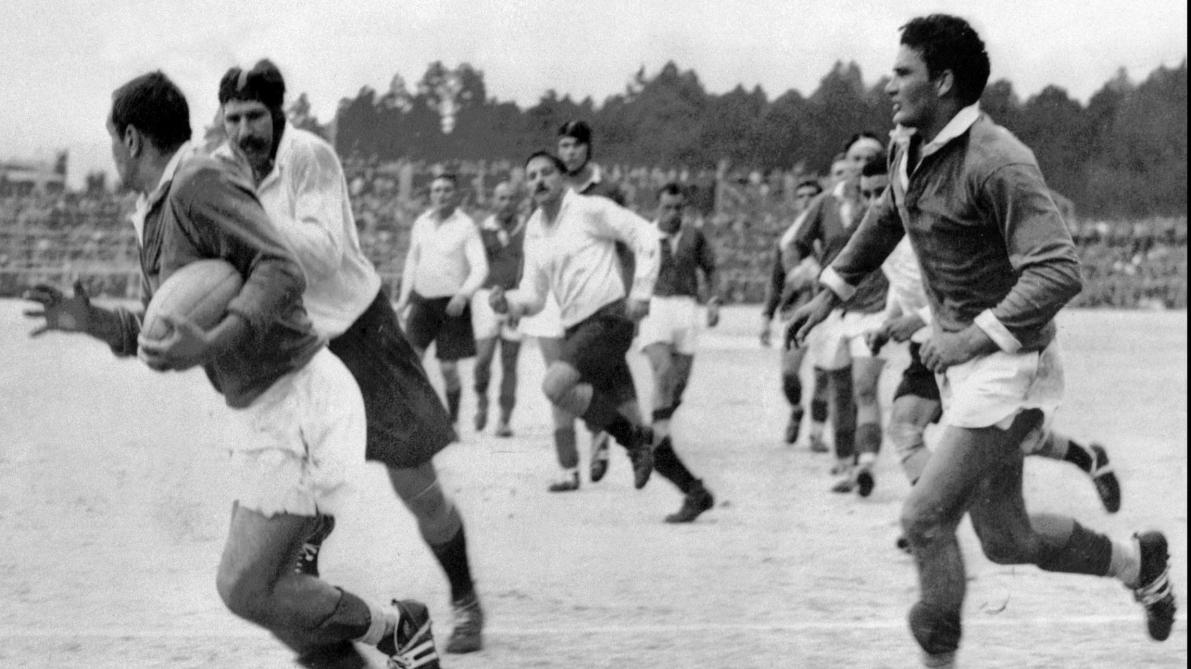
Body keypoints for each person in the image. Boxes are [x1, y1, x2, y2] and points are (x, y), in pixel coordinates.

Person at [787, 15, 1175, 666]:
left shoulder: (999, 160)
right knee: (1005, 538)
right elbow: (889, 215)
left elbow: (1058, 270)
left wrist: (970, 338)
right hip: (965, 361)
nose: (888, 85)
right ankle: (1140, 563)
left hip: (1011, 363)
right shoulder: (907, 143)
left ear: (940, 82)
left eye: (901, 72)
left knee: (922, 518)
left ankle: (938, 658)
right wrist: (831, 288)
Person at [23, 71, 439, 669]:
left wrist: (214, 340)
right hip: (265, 406)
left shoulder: (199, 180)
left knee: (247, 586)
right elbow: (163, 326)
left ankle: (398, 630)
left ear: (133, 138)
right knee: (258, 592)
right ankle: (370, 648)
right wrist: (89, 321)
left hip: (299, 398)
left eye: (112, 138)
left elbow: (281, 268)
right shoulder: (159, 207)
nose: (112, 151)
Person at [215, 60, 484, 655]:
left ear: (278, 112)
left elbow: (325, 252)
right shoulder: (223, 174)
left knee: (418, 487)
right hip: (298, 350)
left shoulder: (309, 156)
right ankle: (330, 637)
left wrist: (247, 222)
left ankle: (464, 599)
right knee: (298, 503)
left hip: (361, 332)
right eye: (231, 118)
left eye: (254, 116)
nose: (242, 132)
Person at [490, 150, 660, 493]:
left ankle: (633, 443)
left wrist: (641, 291)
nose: (539, 180)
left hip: (609, 317)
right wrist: (507, 302)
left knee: (555, 387)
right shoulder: (535, 228)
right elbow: (534, 295)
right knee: (631, 413)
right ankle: (682, 479)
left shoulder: (589, 209)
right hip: (577, 326)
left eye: (546, 173)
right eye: (532, 176)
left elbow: (645, 234)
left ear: (563, 177)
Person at [787, 133, 890, 495]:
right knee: (840, 391)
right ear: (844, 162)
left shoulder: (887, 201)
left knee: (865, 386)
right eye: (856, 157)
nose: (862, 164)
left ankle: (867, 464)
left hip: (874, 307)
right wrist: (805, 270)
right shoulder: (824, 203)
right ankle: (847, 463)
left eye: (870, 157)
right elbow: (794, 244)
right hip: (832, 310)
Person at [528, 120, 621, 490]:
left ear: (588, 149)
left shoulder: (607, 191)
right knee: (556, 383)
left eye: (576, 146)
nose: (569, 153)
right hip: (552, 298)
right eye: (563, 146)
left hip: (591, 298)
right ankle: (568, 468)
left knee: (587, 376)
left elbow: (624, 242)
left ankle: (602, 431)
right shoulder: (547, 184)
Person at [635, 182, 717, 522]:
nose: (673, 213)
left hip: (686, 310)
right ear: (657, 207)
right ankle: (655, 447)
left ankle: (657, 443)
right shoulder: (642, 236)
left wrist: (711, 300)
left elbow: (710, 267)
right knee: (663, 372)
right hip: (655, 307)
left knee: (677, 386)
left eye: (679, 207)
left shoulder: (695, 236)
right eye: (667, 207)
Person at [395, 172, 489, 425]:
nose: (441, 195)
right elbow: (412, 261)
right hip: (423, 302)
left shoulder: (466, 226)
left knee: (448, 370)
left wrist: (463, 295)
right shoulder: (421, 222)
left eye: (447, 190)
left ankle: (453, 422)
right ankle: (418, 420)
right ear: (430, 194)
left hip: (452, 306)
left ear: (456, 194)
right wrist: (404, 299)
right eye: (436, 190)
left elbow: (480, 267)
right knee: (411, 362)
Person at [760, 176, 830, 450]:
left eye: (811, 195)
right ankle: (797, 409)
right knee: (789, 374)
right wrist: (766, 316)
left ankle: (816, 433)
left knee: (824, 374)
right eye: (800, 196)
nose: (806, 200)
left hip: (827, 310)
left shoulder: (832, 232)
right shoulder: (789, 238)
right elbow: (776, 279)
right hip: (796, 310)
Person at [470, 179, 526, 437]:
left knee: (510, 362)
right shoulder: (482, 230)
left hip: (515, 297)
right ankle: (481, 400)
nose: (506, 203)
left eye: (511, 198)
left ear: (518, 201)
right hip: (486, 298)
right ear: (494, 201)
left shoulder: (527, 228)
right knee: (483, 361)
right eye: (501, 198)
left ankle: (504, 419)